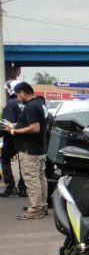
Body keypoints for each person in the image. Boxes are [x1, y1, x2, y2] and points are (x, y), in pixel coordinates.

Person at [9, 81, 48, 220]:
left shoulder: (30, 106)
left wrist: (14, 130)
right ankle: (42, 205)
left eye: (18, 96)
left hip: (29, 149)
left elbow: (34, 127)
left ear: (22, 93)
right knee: (40, 178)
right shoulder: (40, 104)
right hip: (39, 147)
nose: (17, 99)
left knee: (31, 180)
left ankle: (35, 209)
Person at [0, 80, 26, 197]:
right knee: (23, 163)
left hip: (12, 138)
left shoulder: (11, 104)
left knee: (5, 160)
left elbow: (6, 124)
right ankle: (23, 188)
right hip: (26, 138)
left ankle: (10, 186)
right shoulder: (28, 103)